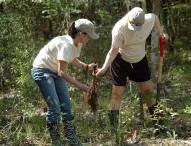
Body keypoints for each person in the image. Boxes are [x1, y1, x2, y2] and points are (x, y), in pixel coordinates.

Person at [95, 7, 168, 136]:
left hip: (140, 60)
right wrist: (104, 69)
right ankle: (114, 131)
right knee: (117, 93)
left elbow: (155, 18)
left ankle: (159, 125)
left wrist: (161, 32)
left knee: (147, 91)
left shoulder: (148, 19)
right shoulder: (119, 29)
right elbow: (113, 51)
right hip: (121, 60)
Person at [31, 18, 99, 146]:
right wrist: (82, 87)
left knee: (66, 105)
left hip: (55, 72)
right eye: (88, 36)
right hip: (42, 71)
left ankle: (71, 139)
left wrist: (86, 66)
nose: (89, 39)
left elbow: (71, 58)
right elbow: (62, 72)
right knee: (55, 107)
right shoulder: (66, 44)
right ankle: (56, 141)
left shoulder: (77, 43)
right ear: (81, 33)